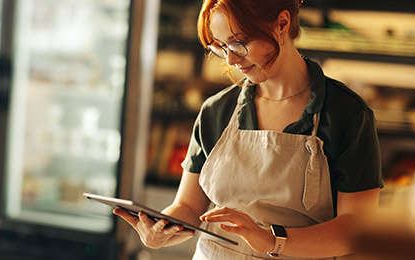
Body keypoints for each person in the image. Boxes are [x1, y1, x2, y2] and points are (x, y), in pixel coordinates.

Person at [115, 0, 383, 258]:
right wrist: (161, 231)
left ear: (282, 24)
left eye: (239, 43)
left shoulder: (346, 113)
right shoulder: (216, 111)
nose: (231, 60)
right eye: (220, 47)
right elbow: (188, 207)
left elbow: (354, 229)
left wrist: (270, 239)